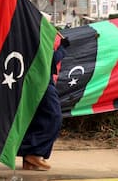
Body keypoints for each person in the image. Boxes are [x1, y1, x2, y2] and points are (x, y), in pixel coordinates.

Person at [18, 36, 70, 171]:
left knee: (38, 119)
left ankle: (30, 159)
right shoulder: (39, 38)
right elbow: (49, 61)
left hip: (33, 82)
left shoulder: (27, 37)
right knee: (54, 118)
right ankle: (34, 153)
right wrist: (62, 48)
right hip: (43, 83)